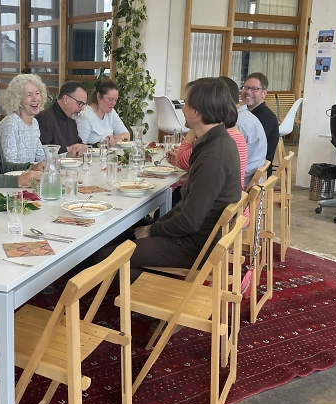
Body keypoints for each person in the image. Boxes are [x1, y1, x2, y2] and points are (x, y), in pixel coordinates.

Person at [95, 78, 242, 281]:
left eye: (185, 103)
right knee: (121, 235)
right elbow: (186, 208)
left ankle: (163, 290)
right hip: (197, 234)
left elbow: (189, 221)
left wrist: (152, 229)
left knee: (105, 258)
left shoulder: (214, 155)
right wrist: (155, 225)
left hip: (193, 244)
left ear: (196, 112)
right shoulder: (217, 142)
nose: (182, 109)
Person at [169, 77, 248, 191]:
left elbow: (181, 161)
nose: (182, 109)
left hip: (215, 200)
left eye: (186, 103)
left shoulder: (214, 145)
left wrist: (194, 125)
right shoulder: (226, 136)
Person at [0, 74, 47, 163]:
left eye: (37, 93)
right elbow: (10, 164)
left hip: (27, 172)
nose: (35, 99)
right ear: (17, 99)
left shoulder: (34, 122)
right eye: (29, 95)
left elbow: (41, 158)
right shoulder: (11, 123)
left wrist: (65, 156)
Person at [36, 81, 88, 157]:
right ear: (65, 99)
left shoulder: (71, 117)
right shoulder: (45, 119)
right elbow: (41, 153)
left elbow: (78, 143)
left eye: (84, 105)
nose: (82, 108)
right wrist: (69, 149)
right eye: (79, 103)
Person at [76, 79, 130, 147]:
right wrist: (101, 144)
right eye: (110, 99)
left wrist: (115, 140)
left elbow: (126, 135)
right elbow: (79, 146)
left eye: (115, 100)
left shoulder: (111, 113)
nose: (113, 103)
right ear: (99, 96)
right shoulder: (85, 116)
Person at [242, 72, 279, 163]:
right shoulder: (245, 114)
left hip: (257, 169)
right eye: (246, 87)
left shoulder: (267, 117)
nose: (248, 92)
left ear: (264, 93)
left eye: (254, 89)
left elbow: (246, 147)